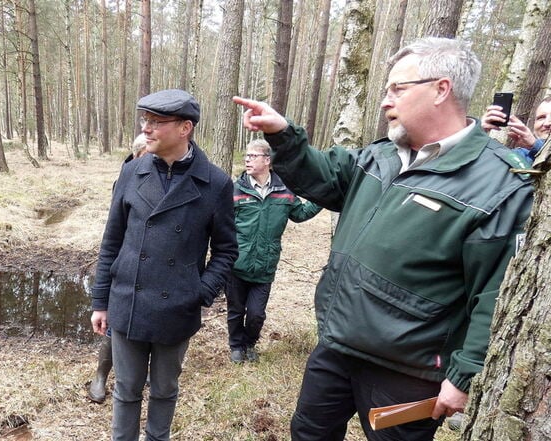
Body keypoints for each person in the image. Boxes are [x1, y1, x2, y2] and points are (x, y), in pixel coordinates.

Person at [233, 37, 533, 441]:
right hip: (337, 343)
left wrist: (462, 377)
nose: (385, 101)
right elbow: (324, 177)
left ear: (441, 89)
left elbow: (494, 294)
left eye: (397, 89)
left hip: (409, 370)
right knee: (308, 433)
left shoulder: (500, 182)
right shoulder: (380, 156)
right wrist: (284, 134)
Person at [90, 89, 238, 440]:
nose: (147, 129)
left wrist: (199, 292)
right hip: (128, 300)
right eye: (145, 121)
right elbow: (112, 240)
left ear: (185, 127)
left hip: (178, 306)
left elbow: (227, 250)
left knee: (164, 389)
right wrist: (101, 301)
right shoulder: (132, 172)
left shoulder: (215, 183)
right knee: (126, 389)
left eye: (157, 122)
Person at [227, 139, 321, 364]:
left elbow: (300, 214)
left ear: (267, 160)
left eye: (253, 156)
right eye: (247, 156)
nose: (247, 160)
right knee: (236, 310)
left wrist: (322, 198)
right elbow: (223, 223)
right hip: (237, 264)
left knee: (256, 314)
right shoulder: (236, 189)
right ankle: (236, 347)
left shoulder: (284, 190)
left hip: (265, 265)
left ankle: (250, 343)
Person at [88, 133, 150, 404]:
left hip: (153, 268)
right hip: (124, 265)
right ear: (138, 155)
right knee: (115, 323)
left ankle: (142, 370)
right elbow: (115, 233)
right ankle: (101, 377)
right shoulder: (125, 180)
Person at [481, 95, 551, 163]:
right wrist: (479, 133)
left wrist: (536, 145)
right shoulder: (520, 156)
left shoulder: (533, 145)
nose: (547, 123)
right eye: (541, 117)